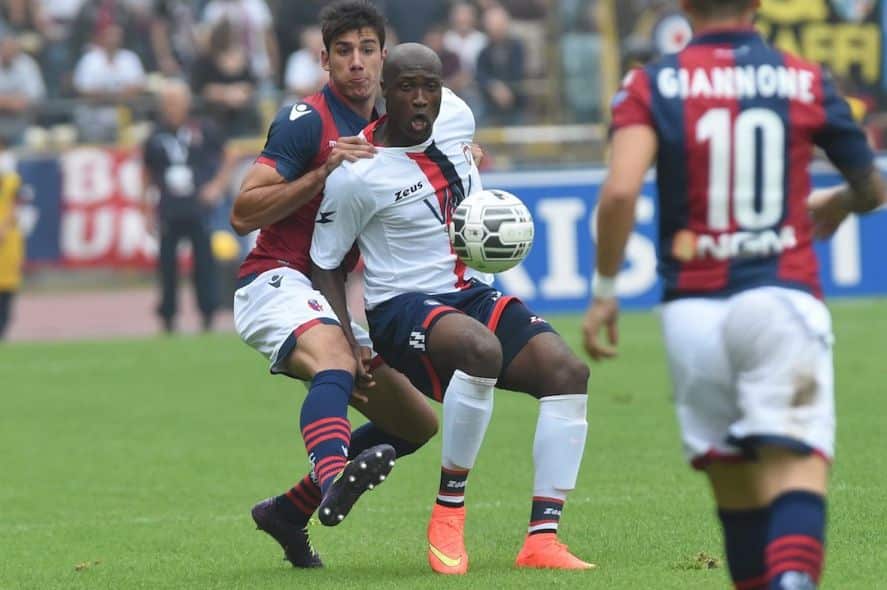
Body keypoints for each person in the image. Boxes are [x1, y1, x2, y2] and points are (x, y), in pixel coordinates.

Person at [582, 1, 887, 589]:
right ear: (756, 4)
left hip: (692, 314)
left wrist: (605, 290)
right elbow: (871, 187)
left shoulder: (650, 83)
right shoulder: (802, 78)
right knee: (794, 467)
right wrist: (841, 203)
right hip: (779, 297)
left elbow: (619, 192)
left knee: (735, 489)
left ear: (685, 6)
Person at [311, 43, 594, 574]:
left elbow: (462, 155)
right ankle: (449, 513)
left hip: (472, 293)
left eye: (430, 87)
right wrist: (350, 340)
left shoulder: (458, 117)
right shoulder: (357, 175)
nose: (421, 99)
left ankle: (542, 541)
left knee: (568, 372)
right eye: (407, 88)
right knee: (479, 349)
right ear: (384, 93)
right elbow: (325, 263)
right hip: (399, 308)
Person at [229, 0, 439, 569]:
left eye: (367, 50)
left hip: (332, 295)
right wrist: (323, 171)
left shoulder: (395, 130)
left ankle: (286, 513)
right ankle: (332, 476)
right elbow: (243, 213)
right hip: (274, 280)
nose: (356, 62)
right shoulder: (306, 120)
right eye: (343, 51)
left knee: (414, 424)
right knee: (337, 360)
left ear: (384, 57)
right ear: (325, 60)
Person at [142, 79, 230, 333]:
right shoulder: (154, 136)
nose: (172, 108)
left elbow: (228, 155)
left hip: (198, 206)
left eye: (177, 102)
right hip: (169, 208)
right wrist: (145, 208)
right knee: (167, 265)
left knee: (204, 263)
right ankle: (168, 315)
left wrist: (216, 186)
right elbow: (146, 172)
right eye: (168, 103)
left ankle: (208, 312)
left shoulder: (203, 129)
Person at [0, 143, 24, 340]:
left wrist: (5, 227)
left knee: (8, 281)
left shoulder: (12, 180)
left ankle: (3, 327)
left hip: (8, 240)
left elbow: (16, 206)